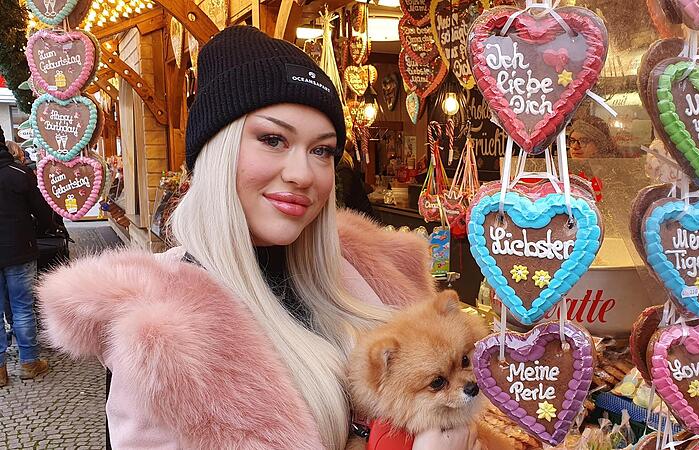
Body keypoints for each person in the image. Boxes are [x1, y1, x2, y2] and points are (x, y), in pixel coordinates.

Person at [37, 27, 481, 449]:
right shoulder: (160, 337)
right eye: (272, 139)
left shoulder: (369, 273)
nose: (303, 174)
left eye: (322, 150)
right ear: (217, 152)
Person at [0, 127, 53, 387]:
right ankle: (29, 362)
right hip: (20, 249)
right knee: (22, 307)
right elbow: (42, 211)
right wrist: (47, 228)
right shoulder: (19, 173)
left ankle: (0, 371)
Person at [336, 141, 379, 221]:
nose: (353, 155)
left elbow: (343, 198)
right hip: (359, 217)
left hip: (360, 220)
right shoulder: (344, 170)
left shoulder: (343, 171)